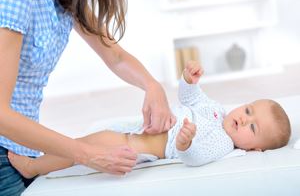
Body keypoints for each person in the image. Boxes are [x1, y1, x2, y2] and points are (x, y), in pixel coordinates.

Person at [0, 0, 176, 194]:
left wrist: (153, 86)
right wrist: (88, 155)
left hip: (23, 148)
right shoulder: (18, 0)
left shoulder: (66, 2)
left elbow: (116, 57)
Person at [8, 61, 291, 179]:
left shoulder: (223, 145)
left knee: (81, 149)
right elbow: (190, 99)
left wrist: (185, 142)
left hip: (137, 148)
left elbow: (194, 158)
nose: (243, 119)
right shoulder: (216, 110)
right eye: (248, 110)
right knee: (84, 142)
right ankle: (43, 155)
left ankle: (33, 167)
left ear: (255, 149)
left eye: (253, 127)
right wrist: (188, 81)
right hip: (135, 132)